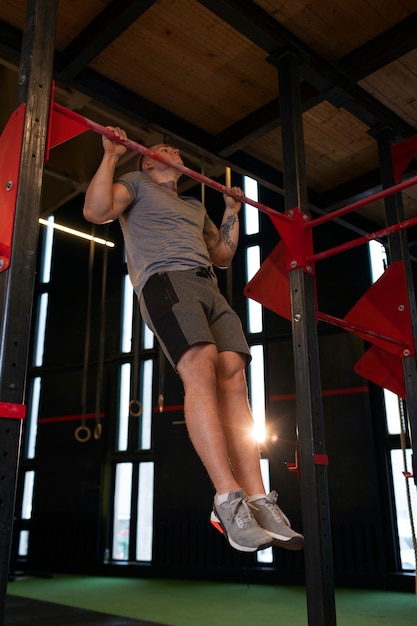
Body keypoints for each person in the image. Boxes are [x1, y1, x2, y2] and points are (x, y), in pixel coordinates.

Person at [83, 127, 304, 553]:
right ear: (147, 160)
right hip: (165, 280)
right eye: (166, 148)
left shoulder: (191, 203)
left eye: (177, 149)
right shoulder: (135, 183)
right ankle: (226, 498)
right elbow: (96, 211)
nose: (175, 152)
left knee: (234, 375)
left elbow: (221, 255)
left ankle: (258, 498)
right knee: (200, 363)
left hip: (207, 285)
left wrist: (231, 209)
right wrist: (111, 156)